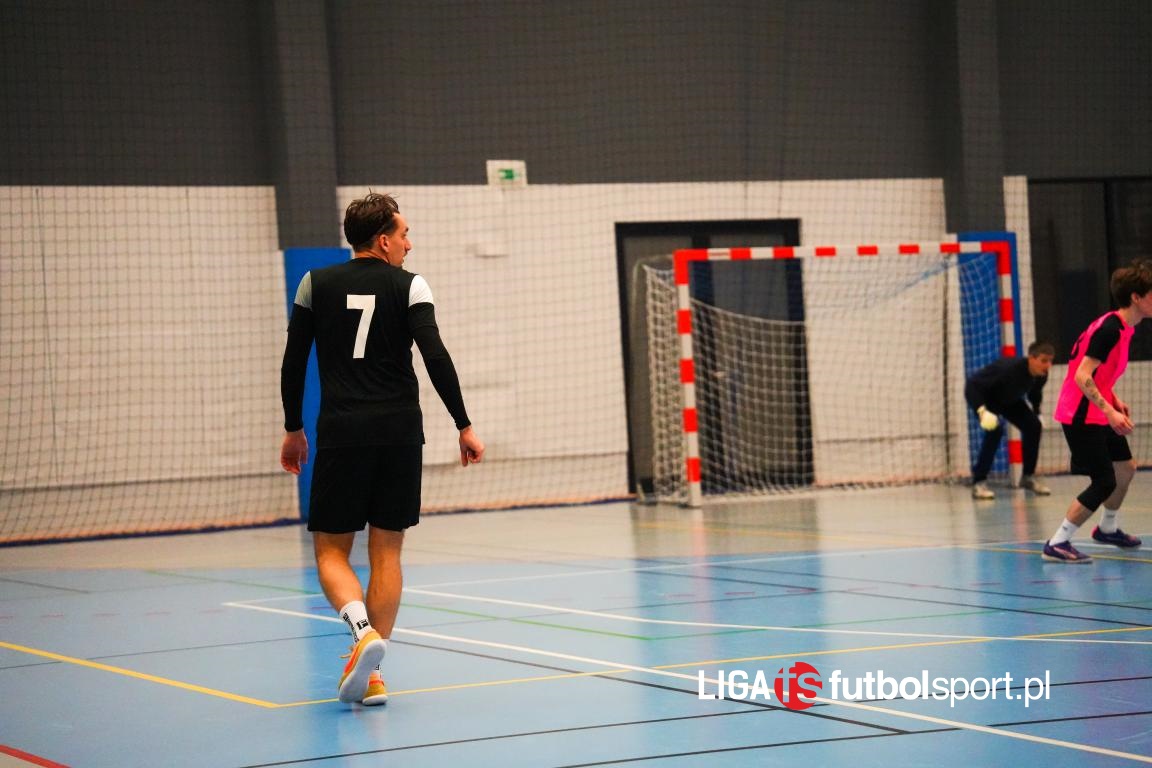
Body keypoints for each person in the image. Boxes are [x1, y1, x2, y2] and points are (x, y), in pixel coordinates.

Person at [279, 191, 485, 703]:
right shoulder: (410, 285)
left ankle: (360, 631)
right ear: (383, 240)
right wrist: (463, 424)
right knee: (387, 550)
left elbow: (293, 362)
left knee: (331, 550)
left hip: (343, 431)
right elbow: (435, 355)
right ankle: (373, 673)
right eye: (404, 234)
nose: (409, 244)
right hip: (399, 432)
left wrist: (293, 428)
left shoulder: (314, 283)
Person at [1042, 259, 1152, 563]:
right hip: (1080, 414)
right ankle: (1058, 542)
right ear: (1136, 297)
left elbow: (1098, 374)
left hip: (1097, 411)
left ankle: (1107, 529)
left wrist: (1114, 399)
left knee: (1125, 468)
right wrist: (1110, 411)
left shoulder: (1122, 327)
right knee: (1104, 481)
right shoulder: (1110, 330)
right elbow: (1082, 375)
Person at [964, 341, 1055, 499]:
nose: (1048, 365)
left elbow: (1035, 393)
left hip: (1009, 401)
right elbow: (972, 386)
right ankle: (979, 482)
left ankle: (1027, 477)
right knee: (995, 431)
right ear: (1031, 358)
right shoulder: (1008, 369)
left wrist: (1037, 413)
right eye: (1044, 361)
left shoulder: (1042, 375)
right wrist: (982, 411)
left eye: (1050, 361)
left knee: (1033, 426)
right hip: (986, 399)